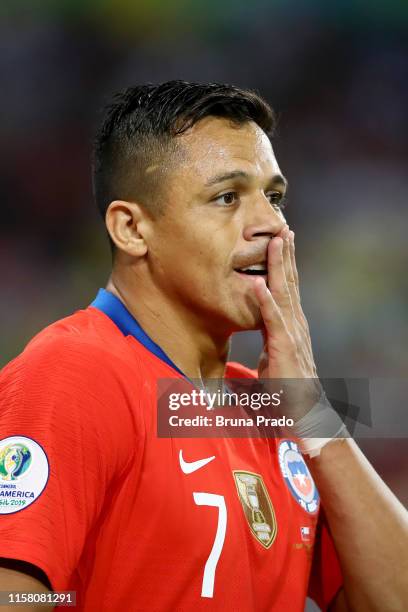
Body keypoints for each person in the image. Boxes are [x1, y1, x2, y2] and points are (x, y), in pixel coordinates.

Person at [0, 81, 407, 612]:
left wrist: (313, 407)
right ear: (131, 228)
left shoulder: (264, 410)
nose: (271, 225)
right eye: (227, 197)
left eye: (275, 197)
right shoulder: (76, 372)